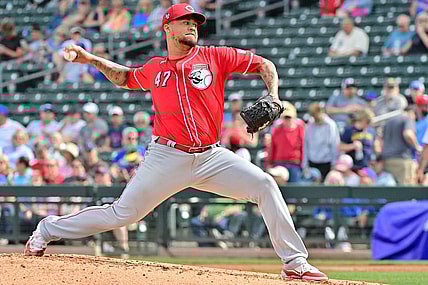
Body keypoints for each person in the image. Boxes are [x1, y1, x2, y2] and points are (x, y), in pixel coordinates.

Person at [25, 3, 328, 281]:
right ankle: (47, 230)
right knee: (123, 213)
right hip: (166, 156)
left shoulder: (215, 56)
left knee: (264, 184)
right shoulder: (156, 68)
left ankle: (294, 261)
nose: (193, 26)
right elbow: (125, 77)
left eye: (195, 21)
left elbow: (266, 65)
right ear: (167, 28)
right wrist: (90, 59)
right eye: (185, 21)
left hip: (211, 156)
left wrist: (273, 95)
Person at [267, 102, 304, 183]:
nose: (287, 120)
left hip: (295, 165)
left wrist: (304, 165)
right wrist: (269, 163)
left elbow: (304, 148)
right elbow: (272, 148)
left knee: (295, 188)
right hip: (279, 164)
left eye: (289, 117)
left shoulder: (300, 130)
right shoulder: (276, 130)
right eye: (285, 117)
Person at [382, 107, 420, 185]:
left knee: (391, 190)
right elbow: (408, 134)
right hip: (402, 160)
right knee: (404, 191)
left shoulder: (388, 122)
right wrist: (417, 147)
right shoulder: (408, 119)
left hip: (387, 160)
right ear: (411, 113)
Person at [303, 103, 340, 181]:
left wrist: (334, 164)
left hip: (327, 163)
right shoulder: (309, 126)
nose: (315, 117)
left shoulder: (331, 125)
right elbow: (306, 145)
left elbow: (334, 145)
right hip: (312, 162)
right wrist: (305, 165)